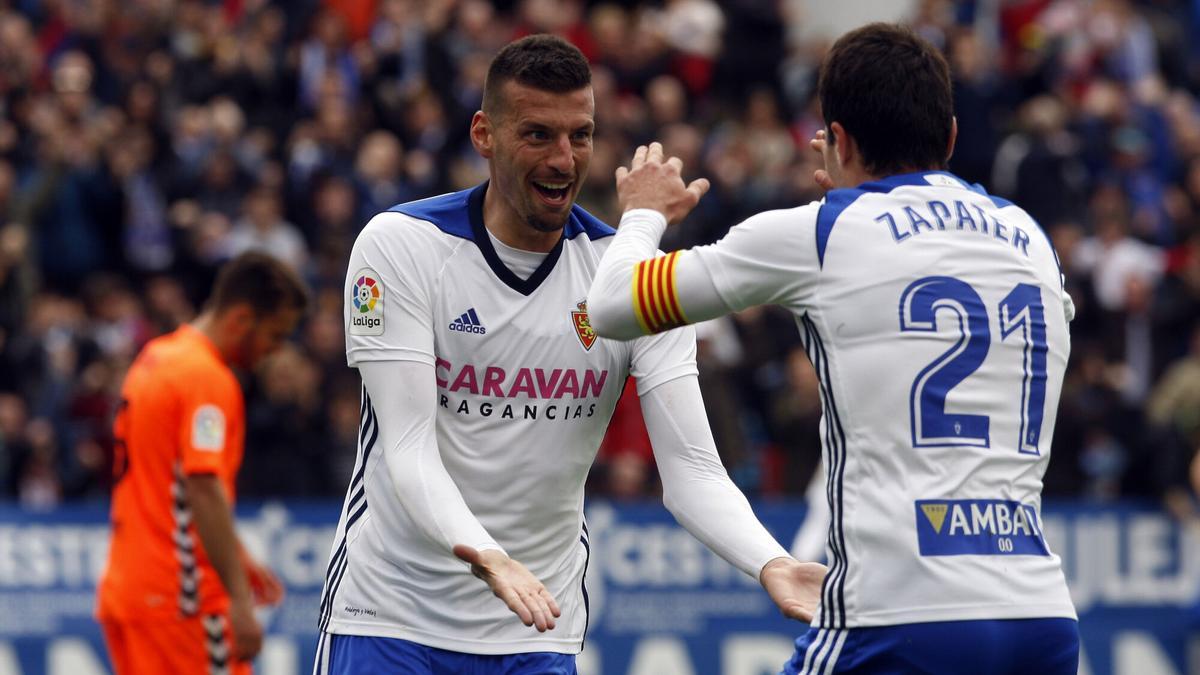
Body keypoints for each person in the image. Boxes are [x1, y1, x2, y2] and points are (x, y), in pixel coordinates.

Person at [314, 34, 823, 674]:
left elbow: (692, 470)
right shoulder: (402, 247)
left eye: (579, 136)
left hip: (537, 629)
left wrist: (770, 561)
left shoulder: (631, 278)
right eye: (537, 135)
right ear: (484, 134)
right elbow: (409, 449)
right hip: (392, 616)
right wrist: (488, 555)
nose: (563, 159)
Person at [587, 23, 1079, 674]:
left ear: (837, 139)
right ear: (952, 136)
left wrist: (644, 212)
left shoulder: (822, 233)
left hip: (902, 614)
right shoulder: (1029, 238)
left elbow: (613, 306)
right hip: (1040, 617)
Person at [96, 252, 308, 675]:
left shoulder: (157, 357)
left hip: (129, 592)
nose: (274, 351)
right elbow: (202, 487)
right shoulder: (207, 379)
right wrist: (239, 598)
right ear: (242, 318)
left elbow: (165, 481)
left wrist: (238, 556)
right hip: (183, 602)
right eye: (275, 335)